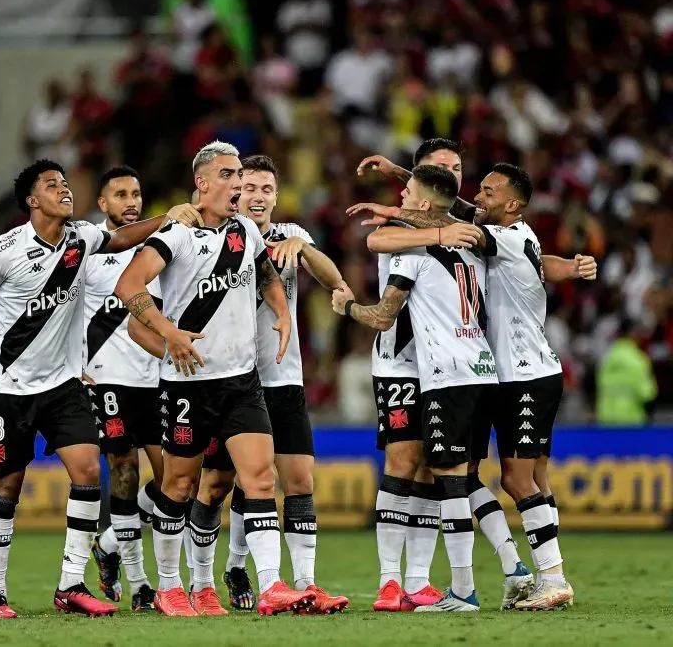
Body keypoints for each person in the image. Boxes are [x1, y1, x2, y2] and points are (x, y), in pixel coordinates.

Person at [0, 159, 201, 619]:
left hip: (65, 385)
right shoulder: (2, 251)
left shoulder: (82, 239)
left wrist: (168, 218)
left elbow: (125, 237)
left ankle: (70, 584)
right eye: (53, 185)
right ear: (33, 200)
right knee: (6, 486)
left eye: (66, 185)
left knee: (88, 470)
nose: (65, 191)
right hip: (8, 388)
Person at [355, 139, 592, 607]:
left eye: (485, 191)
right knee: (474, 475)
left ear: (511, 204)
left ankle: (548, 577)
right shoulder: (494, 230)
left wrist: (395, 209)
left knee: (520, 479)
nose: (476, 197)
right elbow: (451, 213)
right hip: (490, 373)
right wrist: (401, 177)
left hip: (520, 372)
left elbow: (442, 220)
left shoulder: (493, 236)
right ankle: (516, 569)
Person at [115, 141, 315, 617]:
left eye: (240, 175)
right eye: (228, 175)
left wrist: (283, 313)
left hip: (241, 382)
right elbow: (129, 286)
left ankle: (271, 587)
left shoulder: (245, 230)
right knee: (179, 486)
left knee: (261, 478)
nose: (238, 185)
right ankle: (170, 586)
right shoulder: (176, 235)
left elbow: (267, 273)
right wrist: (168, 333)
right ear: (202, 183)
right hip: (187, 384)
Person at [186, 154, 350, 614]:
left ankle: (304, 584)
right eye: (249, 187)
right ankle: (202, 580)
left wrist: (304, 246)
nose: (256, 196)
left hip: (282, 377)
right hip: (229, 378)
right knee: (216, 485)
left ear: (277, 196)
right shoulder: (215, 234)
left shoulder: (289, 237)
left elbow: (334, 280)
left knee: (296, 479)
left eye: (266, 189)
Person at [334, 164, 489, 612]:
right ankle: (389, 580)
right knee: (403, 460)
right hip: (401, 362)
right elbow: (374, 240)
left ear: (425, 201)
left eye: (407, 188)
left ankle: (418, 580)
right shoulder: (406, 232)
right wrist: (431, 228)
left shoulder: (458, 231)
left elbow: (455, 210)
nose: (399, 193)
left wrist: (346, 307)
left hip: (441, 366)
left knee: (430, 468)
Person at [82, 166, 163, 612]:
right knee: (125, 470)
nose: (130, 201)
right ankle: (140, 583)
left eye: (136, 193)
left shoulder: (159, 248)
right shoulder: (89, 247)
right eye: (120, 194)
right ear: (103, 203)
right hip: (105, 377)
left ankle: (109, 543)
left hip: (155, 376)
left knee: (174, 480)